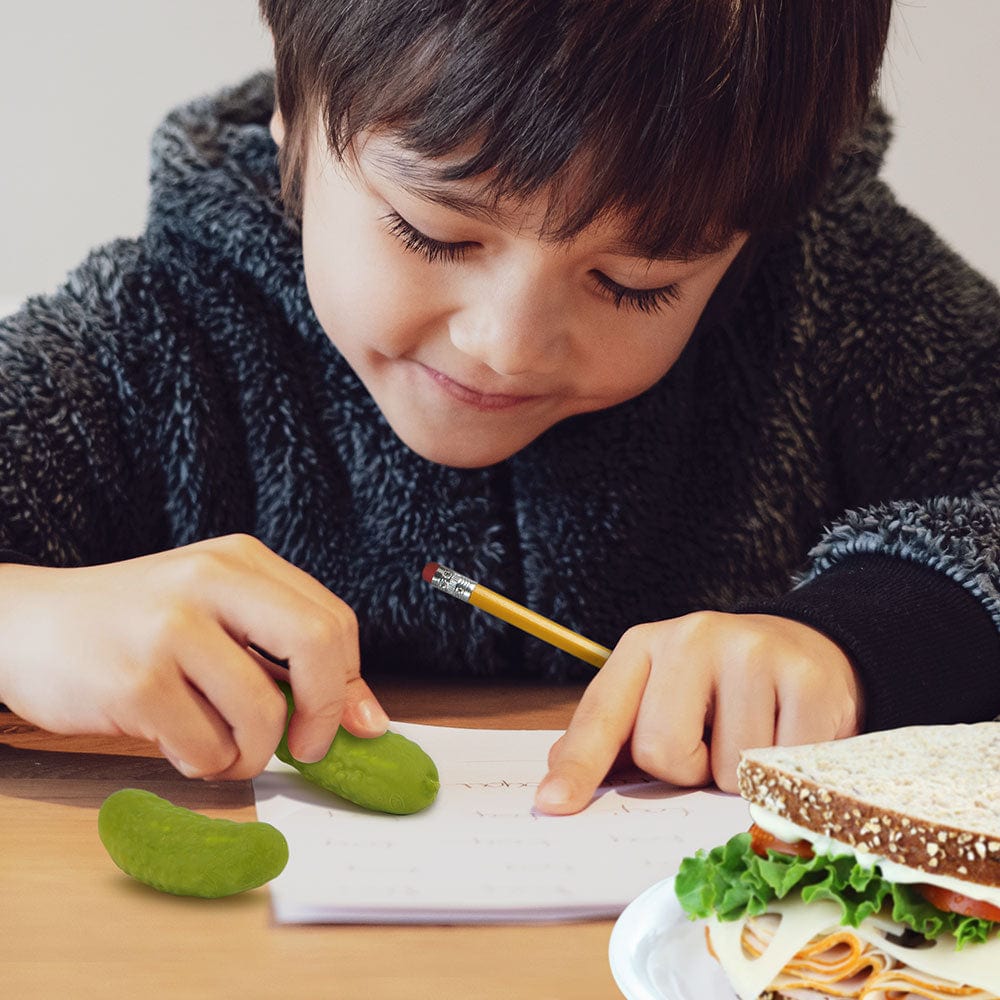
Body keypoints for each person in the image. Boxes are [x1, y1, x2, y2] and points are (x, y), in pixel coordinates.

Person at [1, 1, 997, 816]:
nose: (505, 346)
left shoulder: (835, 286)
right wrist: (26, 625)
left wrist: (861, 641)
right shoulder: (152, 336)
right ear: (294, 120)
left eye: (634, 282)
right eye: (435, 234)